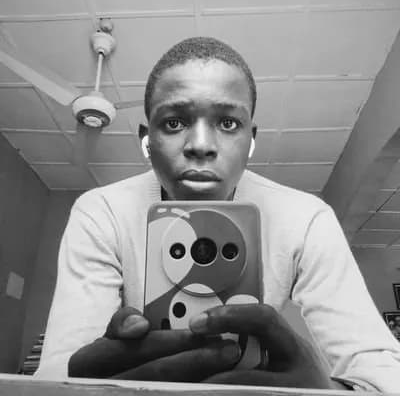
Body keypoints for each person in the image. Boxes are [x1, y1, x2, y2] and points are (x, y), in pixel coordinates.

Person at [35, 37, 400, 391]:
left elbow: (382, 369)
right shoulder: (101, 211)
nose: (200, 146)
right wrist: (80, 386)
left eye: (227, 123)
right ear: (147, 139)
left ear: (250, 139)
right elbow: (57, 370)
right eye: (174, 122)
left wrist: (328, 391)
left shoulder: (306, 218)